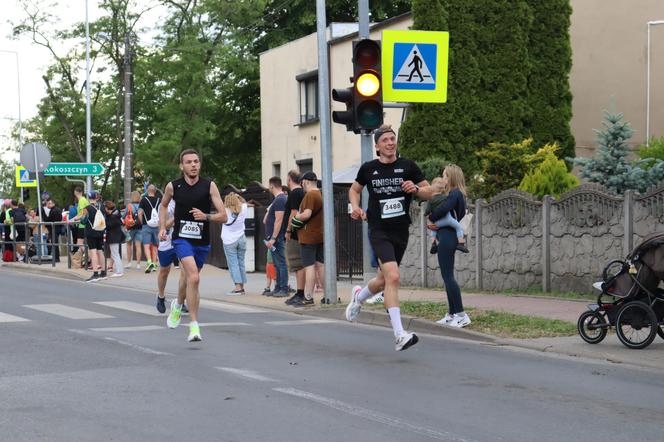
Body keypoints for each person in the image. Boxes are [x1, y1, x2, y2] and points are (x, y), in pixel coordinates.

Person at [345, 124, 432, 351]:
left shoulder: (408, 167)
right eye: (385, 140)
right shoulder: (368, 169)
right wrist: (355, 207)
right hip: (378, 229)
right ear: (377, 146)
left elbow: (429, 191)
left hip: (400, 230)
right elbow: (354, 190)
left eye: (393, 139)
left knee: (384, 279)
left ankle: (359, 297)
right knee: (393, 277)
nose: (390, 143)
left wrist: (415, 188)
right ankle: (399, 334)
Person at [161, 149, 227, 342]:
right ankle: (194, 326)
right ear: (182, 166)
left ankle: (178, 305)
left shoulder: (209, 186)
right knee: (194, 278)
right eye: (189, 162)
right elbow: (163, 205)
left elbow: (223, 216)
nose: (193, 165)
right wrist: (161, 228)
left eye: (196, 161)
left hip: (202, 241)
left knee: (188, 278)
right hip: (181, 238)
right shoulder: (173, 186)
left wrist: (206, 216)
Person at [428, 164, 471, 328]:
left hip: (448, 236)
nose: (443, 179)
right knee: (447, 276)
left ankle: (461, 314)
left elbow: (443, 209)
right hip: (446, 235)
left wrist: (431, 216)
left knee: (448, 276)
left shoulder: (455, 193)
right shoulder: (455, 194)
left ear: (452, 177)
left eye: (445, 176)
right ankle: (452, 314)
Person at [289, 171, 324, 307]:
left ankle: (308, 297)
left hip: (308, 236)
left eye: (303, 182)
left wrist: (296, 218)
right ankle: (328, 295)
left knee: (309, 267)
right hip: (319, 235)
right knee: (320, 265)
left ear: (306, 182)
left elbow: (307, 214)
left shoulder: (310, 195)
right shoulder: (320, 194)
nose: (302, 185)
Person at [155, 199, 187, 314]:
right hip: (167, 242)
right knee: (164, 271)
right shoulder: (165, 206)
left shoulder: (186, 201)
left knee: (185, 272)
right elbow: (165, 226)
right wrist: (178, 216)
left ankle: (180, 301)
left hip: (182, 240)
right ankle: (161, 296)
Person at [425, 177, 469, 255]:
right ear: (443, 189)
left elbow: (427, 211)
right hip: (448, 219)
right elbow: (447, 206)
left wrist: (429, 218)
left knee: (433, 230)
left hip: (438, 222)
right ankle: (461, 243)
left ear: (432, 189)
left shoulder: (430, 200)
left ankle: (433, 243)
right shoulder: (446, 197)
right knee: (458, 227)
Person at [72, 191, 106, 282]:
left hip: (91, 232)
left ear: (88, 198)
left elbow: (81, 218)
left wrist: (73, 219)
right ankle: (103, 272)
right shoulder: (102, 207)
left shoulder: (87, 208)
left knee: (93, 252)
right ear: (97, 198)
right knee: (100, 251)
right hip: (100, 231)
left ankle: (95, 274)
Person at [283, 170, 306, 305]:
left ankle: (300, 292)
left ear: (290, 179)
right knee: (300, 264)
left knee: (297, 264)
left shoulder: (295, 193)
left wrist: (288, 230)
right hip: (301, 233)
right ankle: (301, 292)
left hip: (295, 234)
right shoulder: (302, 192)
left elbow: (294, 213)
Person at [263, 176, 289, 297]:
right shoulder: (278, 199)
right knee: (277, 263)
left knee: (281, 263)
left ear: (272, 186)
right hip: (274, 237)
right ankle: (278, 287)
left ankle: (283, 288)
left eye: (269, 186)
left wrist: (273, 238)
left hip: (277, 237)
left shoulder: (279, 200)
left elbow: (279, 220)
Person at [221, 192, 248, 295]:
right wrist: (238, 196)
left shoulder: (225, 211)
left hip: (229, 240)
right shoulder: (244, 208)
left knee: (233, 264)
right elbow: (244, 201)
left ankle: (237, 287)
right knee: (241, 263)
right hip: (241, 238)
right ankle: (242, 286)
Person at [138, 185, 160, 273]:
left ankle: (149, 262)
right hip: (157, 225)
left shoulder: (143, 200)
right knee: (155, 245)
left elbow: (140, 213)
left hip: (146, 225)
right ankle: (154, 265)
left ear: (147, 190)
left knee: (146, 245)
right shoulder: (159, 200)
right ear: (155, 191)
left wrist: (142, 222)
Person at [103, 201, 124, 278]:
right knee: (115, 254)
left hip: (113, 237)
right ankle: (119, 270)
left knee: (115, 254)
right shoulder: (116, 214)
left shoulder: (112, 217)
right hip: (116, 236)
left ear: (107, 208)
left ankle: (119, 271)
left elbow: (107, 226)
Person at [124, 191, 143, 269]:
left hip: (130, 227)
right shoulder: (141, 206)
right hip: (139, 227)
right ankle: (138, 264)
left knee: (129, 245)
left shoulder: (129, 206)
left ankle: (129, 263)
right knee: (138, 246)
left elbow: (124, 215)